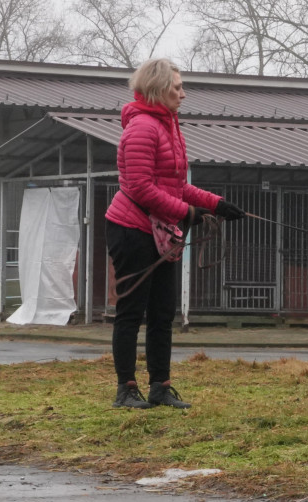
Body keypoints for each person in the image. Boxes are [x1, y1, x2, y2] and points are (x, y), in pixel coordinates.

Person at [104, 58, 245, 409]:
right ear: (158, 89)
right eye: (178, 87)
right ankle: (126, 390)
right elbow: (140, 187)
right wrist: (187, 213)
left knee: (163, 312)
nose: (183, 94)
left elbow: (177, 186)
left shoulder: (169, 126)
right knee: (131, 312)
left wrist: (217, 205)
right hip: (132, 228)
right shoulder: (143, 128)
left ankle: (160, 387)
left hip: (160, 230)